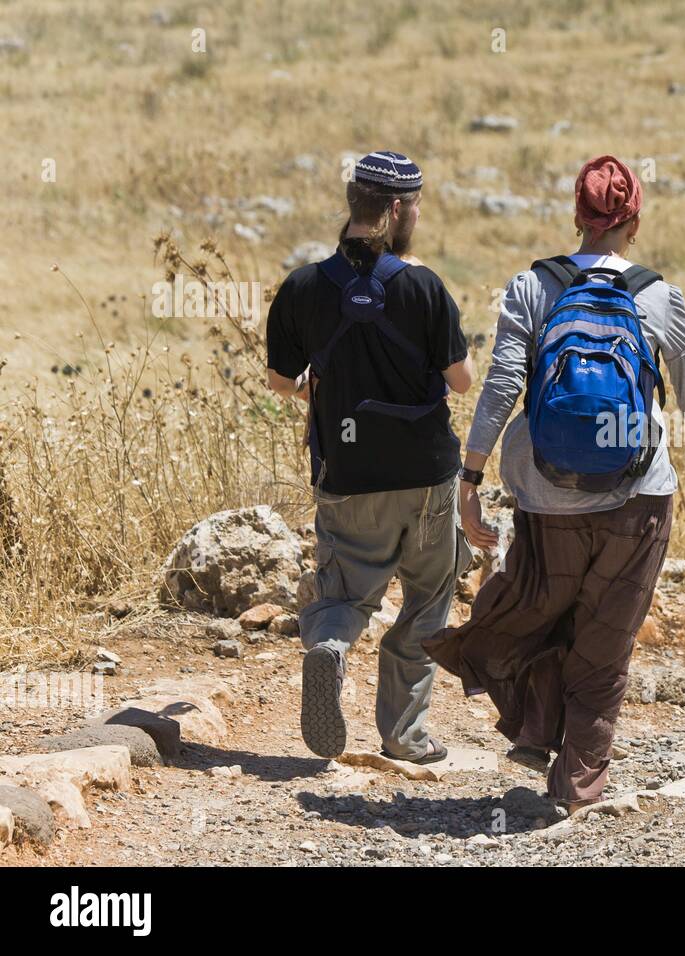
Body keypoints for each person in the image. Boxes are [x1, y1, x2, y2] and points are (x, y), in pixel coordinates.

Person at [422, 154, 685, 810]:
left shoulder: (532, 287)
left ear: (576, 217)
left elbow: (504, 382)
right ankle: (577, 787)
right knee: (605, 638)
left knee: (546, 608)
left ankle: (534, 724)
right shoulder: (658, 293)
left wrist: (470, 475)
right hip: (639, 493)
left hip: (547, 493)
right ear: (635, 222)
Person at [265, 149, 474, 763]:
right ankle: (404, 735)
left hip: (347, 475)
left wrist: (315, 389)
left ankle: (329, 644)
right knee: (428, 597)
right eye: (414, 206)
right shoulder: (424, 285)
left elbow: (280, 380)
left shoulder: (303, 287)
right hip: (427, 475)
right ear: (395, 209)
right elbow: (461, 381)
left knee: (344, 593)